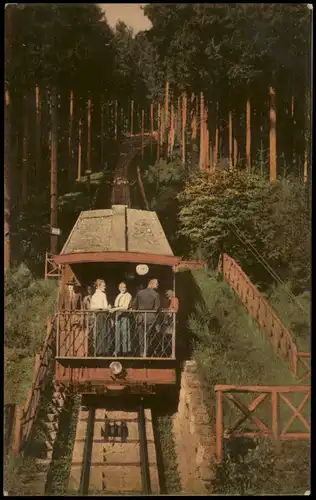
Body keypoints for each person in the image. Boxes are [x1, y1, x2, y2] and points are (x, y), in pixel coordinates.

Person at [131, 278, 160, 356]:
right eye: (156, 283)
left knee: (141, 335)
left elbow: (134, 305)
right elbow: (157, 308)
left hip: (140, 317)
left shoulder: (140, 293)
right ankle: (146, 352)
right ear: (151, 284)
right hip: (151, 318)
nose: (158, 285)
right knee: (148, 335)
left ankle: (141, 352)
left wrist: (137, 314)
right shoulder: (156, 294)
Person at [90, 279, 111, 355]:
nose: (105, 287)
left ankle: (100, 350)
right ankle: (103, 350)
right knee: (103, 332)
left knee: (100, 332)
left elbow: (92, 307)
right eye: (104, 285)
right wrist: (107, 308)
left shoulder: (94, 295)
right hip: (102, 315)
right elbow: (103, 307)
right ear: (99, 286)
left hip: (99, 315)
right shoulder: (101, 294)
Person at [112, 282, 132, 356]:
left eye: (124, 287)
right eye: (121, 287)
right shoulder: (119, 295)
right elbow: (116, 305)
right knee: (117, 333)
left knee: (125, 333)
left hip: (124, 316)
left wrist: (115, 309)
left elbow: (125, 307)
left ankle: (125, 351)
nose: (123, 289)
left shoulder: (128, 295)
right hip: (118, 316)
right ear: (119, 288)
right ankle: (117, 350)